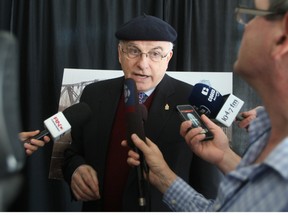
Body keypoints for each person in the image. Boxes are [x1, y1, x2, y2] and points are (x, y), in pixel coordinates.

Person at [124, 0, 288, 211]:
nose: (244, 25)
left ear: (283, 35)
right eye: (133, 51)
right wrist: (225, 157)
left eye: (251, 15)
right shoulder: (266, 134)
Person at [62, 14, 223, 211]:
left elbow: (208, 187)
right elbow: (72, 153)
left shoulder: (193, 101)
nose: (143, 64)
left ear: (168, 58)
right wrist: (75, 169)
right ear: (120, 53)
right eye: (133, 51)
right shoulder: (94, 94)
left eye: (155, 54)